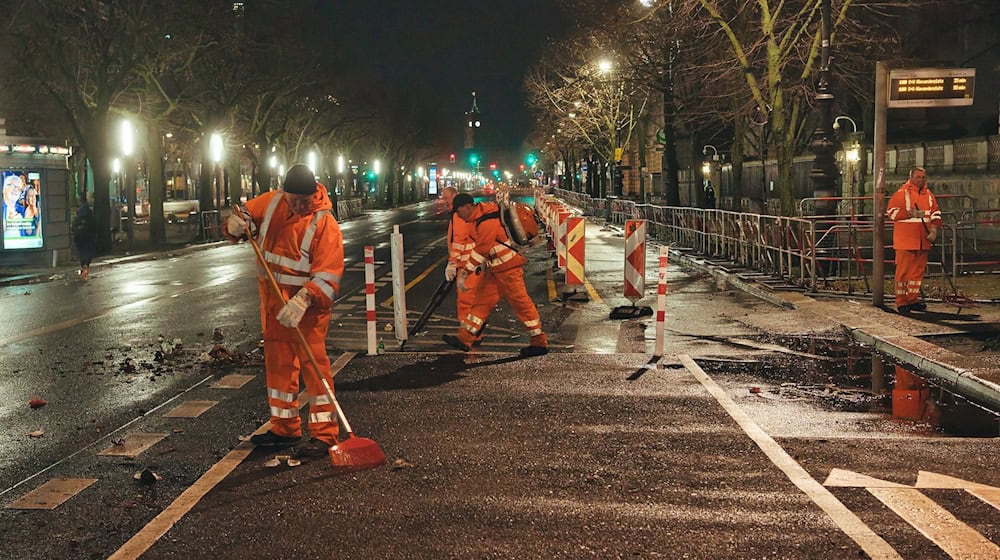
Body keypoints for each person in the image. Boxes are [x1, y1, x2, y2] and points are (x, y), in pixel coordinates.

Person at [225, 164, 345, 458]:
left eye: (304, 200)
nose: (299, 205)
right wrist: (235, 225)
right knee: (279, 368)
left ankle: (324, 434)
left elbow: (328, 276)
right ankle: (285, 427)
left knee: (315, 369)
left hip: (307, 311)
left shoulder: (323, 223)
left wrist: (304, 299)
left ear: (314, 193)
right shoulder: (274, 201)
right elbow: (245, 217)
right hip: (274, 305)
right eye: (294, 200)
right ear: (285, 193)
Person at [442, 193, 548, 357]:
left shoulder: (486, 220)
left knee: (521, 304)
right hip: (497, 269)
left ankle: (539, 341)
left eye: (459, 211)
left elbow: (482, 249)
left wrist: (464, 272)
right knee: (481, 302)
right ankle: (465, 338)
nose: (458, 215)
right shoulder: (480, 218)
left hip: (508, 269)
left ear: (467, 207)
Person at [886, 166, 941, 313]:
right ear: (911, 178)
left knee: (917, 273)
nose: (921, 180)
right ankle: (901, 302)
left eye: (923, 177)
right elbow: (891, 213)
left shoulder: (929, 195)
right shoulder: (901, 194)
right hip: (906, 240)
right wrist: (908, 214)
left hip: (923, 240)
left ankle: (912, 299)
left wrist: (934, 230)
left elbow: (935, 214)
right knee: (903, 273)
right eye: (918, 177)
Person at [440, 187, 483, 346]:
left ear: (454, 196)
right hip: (471, 264)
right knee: (473, 301)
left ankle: (467, 337)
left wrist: (452, 263)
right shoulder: (459, 214)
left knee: (466, 301)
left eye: (446, 199)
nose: (444, 202)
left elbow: (459, 240)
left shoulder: (459, 216)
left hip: (467, 265)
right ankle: (472, 335)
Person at [72, 197, 97, 280]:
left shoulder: (79, 213)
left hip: (80, 236)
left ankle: (83, 266)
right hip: (88, 236)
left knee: (81, 252)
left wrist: (75, 234)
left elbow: (74, 225)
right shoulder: (89, 213)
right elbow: (94, 225)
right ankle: (86, 265)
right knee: (88, 252)